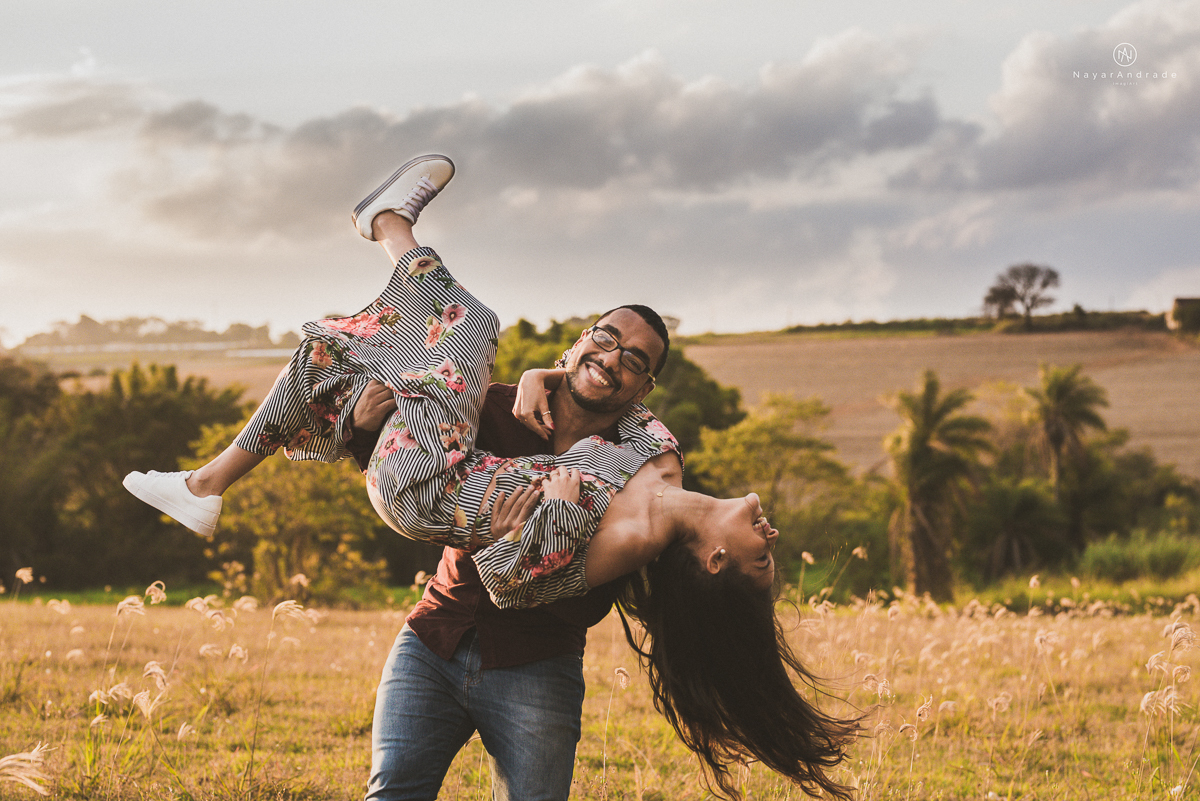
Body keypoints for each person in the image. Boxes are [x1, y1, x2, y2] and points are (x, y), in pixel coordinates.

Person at [123, 155, 858, 799]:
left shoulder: (639, 526)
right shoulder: (642, 454)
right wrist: (374, 421)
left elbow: (515, 577)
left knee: (467, 323)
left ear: (717, 559)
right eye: (605, 339)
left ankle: (385, 219)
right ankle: (204, 485)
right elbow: (634, 431)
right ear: (580, 342)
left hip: (526, 652)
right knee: (339, 358)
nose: (773, 531)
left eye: (762, 553)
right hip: (434, 630)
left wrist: (550, 523)